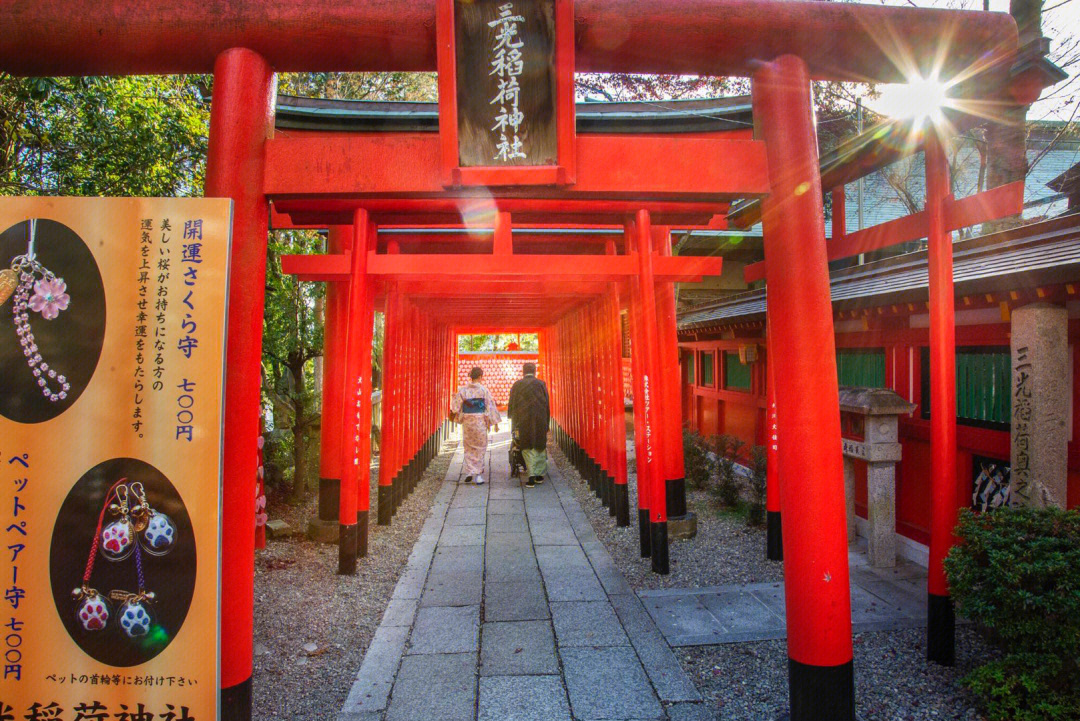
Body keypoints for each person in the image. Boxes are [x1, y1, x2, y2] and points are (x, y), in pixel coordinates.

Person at [451, 366, 500, 485]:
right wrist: (495, 423)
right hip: (480, 422)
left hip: (468, 421)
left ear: (471, 376)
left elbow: (455, 408)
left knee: (468, 447)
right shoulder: (484, 390)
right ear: (480, 377)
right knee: (480, 447)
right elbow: (490, 406)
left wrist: (455, 403)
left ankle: (469, 472)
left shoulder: (463, 390)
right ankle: (478, 474)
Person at [507, 362, 550, 488]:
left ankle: (531, 475)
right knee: (539, 444)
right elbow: (546, 403)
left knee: (526, 445)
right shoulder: (541, 384)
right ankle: (539, 475)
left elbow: (512, 403)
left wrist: (512, 418)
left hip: (523, 419)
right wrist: (547, 420)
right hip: (539, 418)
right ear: (535, 371)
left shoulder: (517, 385)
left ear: (523, 372)